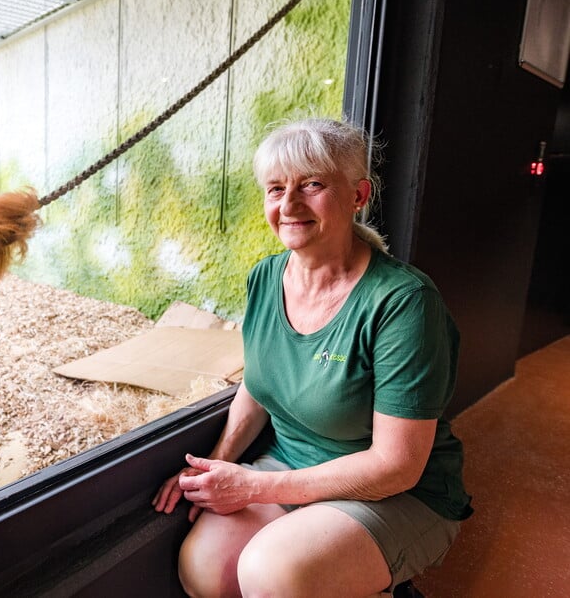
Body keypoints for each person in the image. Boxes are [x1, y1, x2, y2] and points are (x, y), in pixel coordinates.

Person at [152, 117, 473, 597]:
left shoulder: (404, 303)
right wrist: (213, 466)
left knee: (274, 573)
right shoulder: (264, 278)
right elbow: (257, 389)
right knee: (205, 570)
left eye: (313, 184)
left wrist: (252, 487)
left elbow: (396, 466)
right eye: (275, 188)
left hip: (396, 492)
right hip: (293, 465)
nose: (289, 204)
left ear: (359, 196)